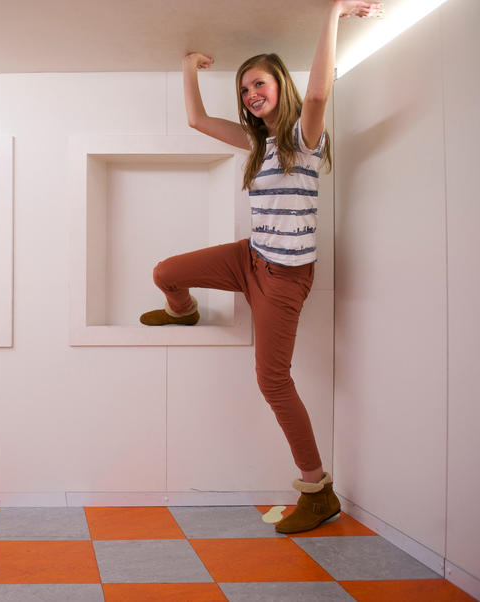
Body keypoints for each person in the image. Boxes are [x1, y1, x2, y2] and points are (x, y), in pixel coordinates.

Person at [140, 0, 381, 533]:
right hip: (249, 257)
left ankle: (317, 490)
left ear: (281, 87)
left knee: (272, 381)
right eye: (246, 88)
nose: (251, 94)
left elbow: (318, 92)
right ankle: (182, 312)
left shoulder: (304, 136)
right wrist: (186, 67)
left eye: (260, 84)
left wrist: (334, 11)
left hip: (285, 278)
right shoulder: (257, 141)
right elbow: (197, 120)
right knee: (165, 272)